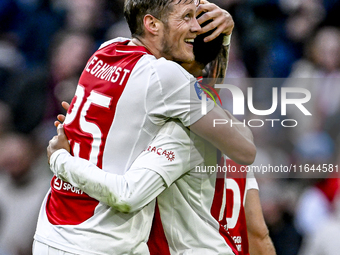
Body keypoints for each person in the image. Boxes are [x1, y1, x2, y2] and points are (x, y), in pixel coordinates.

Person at [34, 0, 256, 254]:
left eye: (197, 17)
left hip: (53, 227)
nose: (195, 26)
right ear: (152, 24)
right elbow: (244, 151)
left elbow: (201, 96)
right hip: (99, 241)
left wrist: (221, 38)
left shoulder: (106, 50)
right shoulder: (166, 78)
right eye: (186, 17)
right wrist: (60, 159)